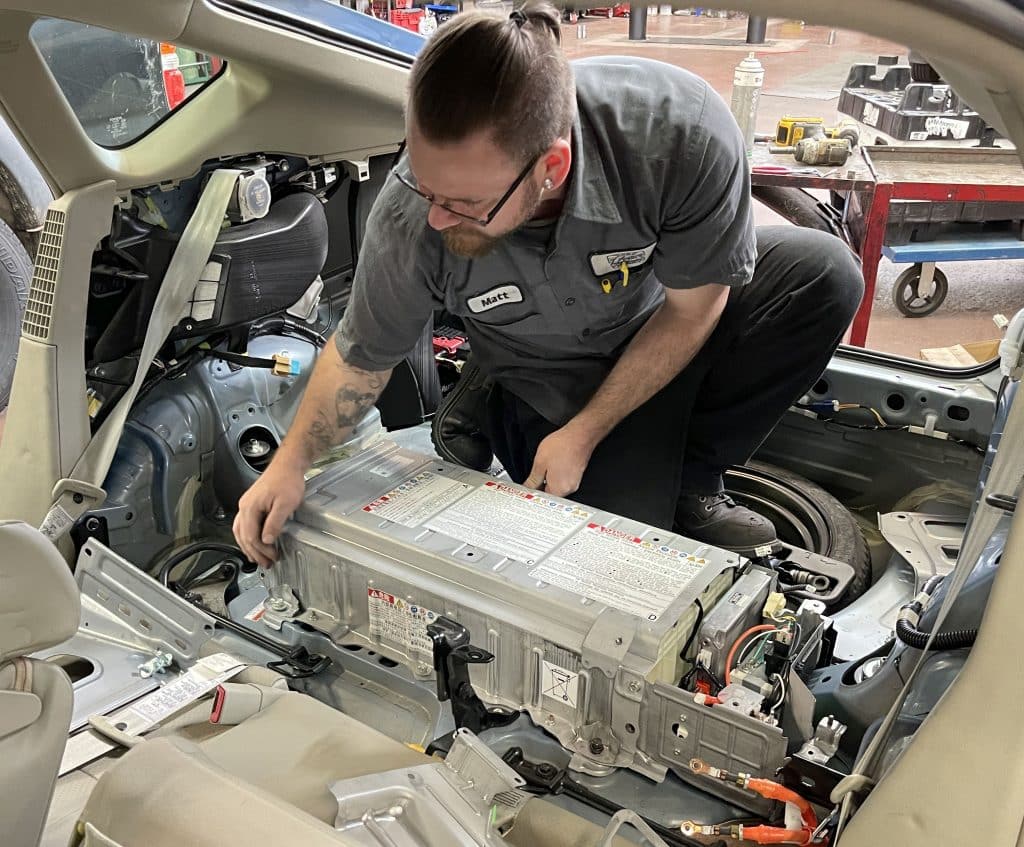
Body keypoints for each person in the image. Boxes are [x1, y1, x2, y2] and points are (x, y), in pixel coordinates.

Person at [233, 1, 863, 567]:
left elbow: (697, 307)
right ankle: (492, 391)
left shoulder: (679, 136)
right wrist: (288, 469)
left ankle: (691, 478)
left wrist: (584, 438)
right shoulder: (412, 215)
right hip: (547, 373)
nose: (437, 216)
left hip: (661, 313)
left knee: (825, 275)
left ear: (551, 166)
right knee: (606, 558)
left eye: (465, 202)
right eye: (427, 187)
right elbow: (359, 358)